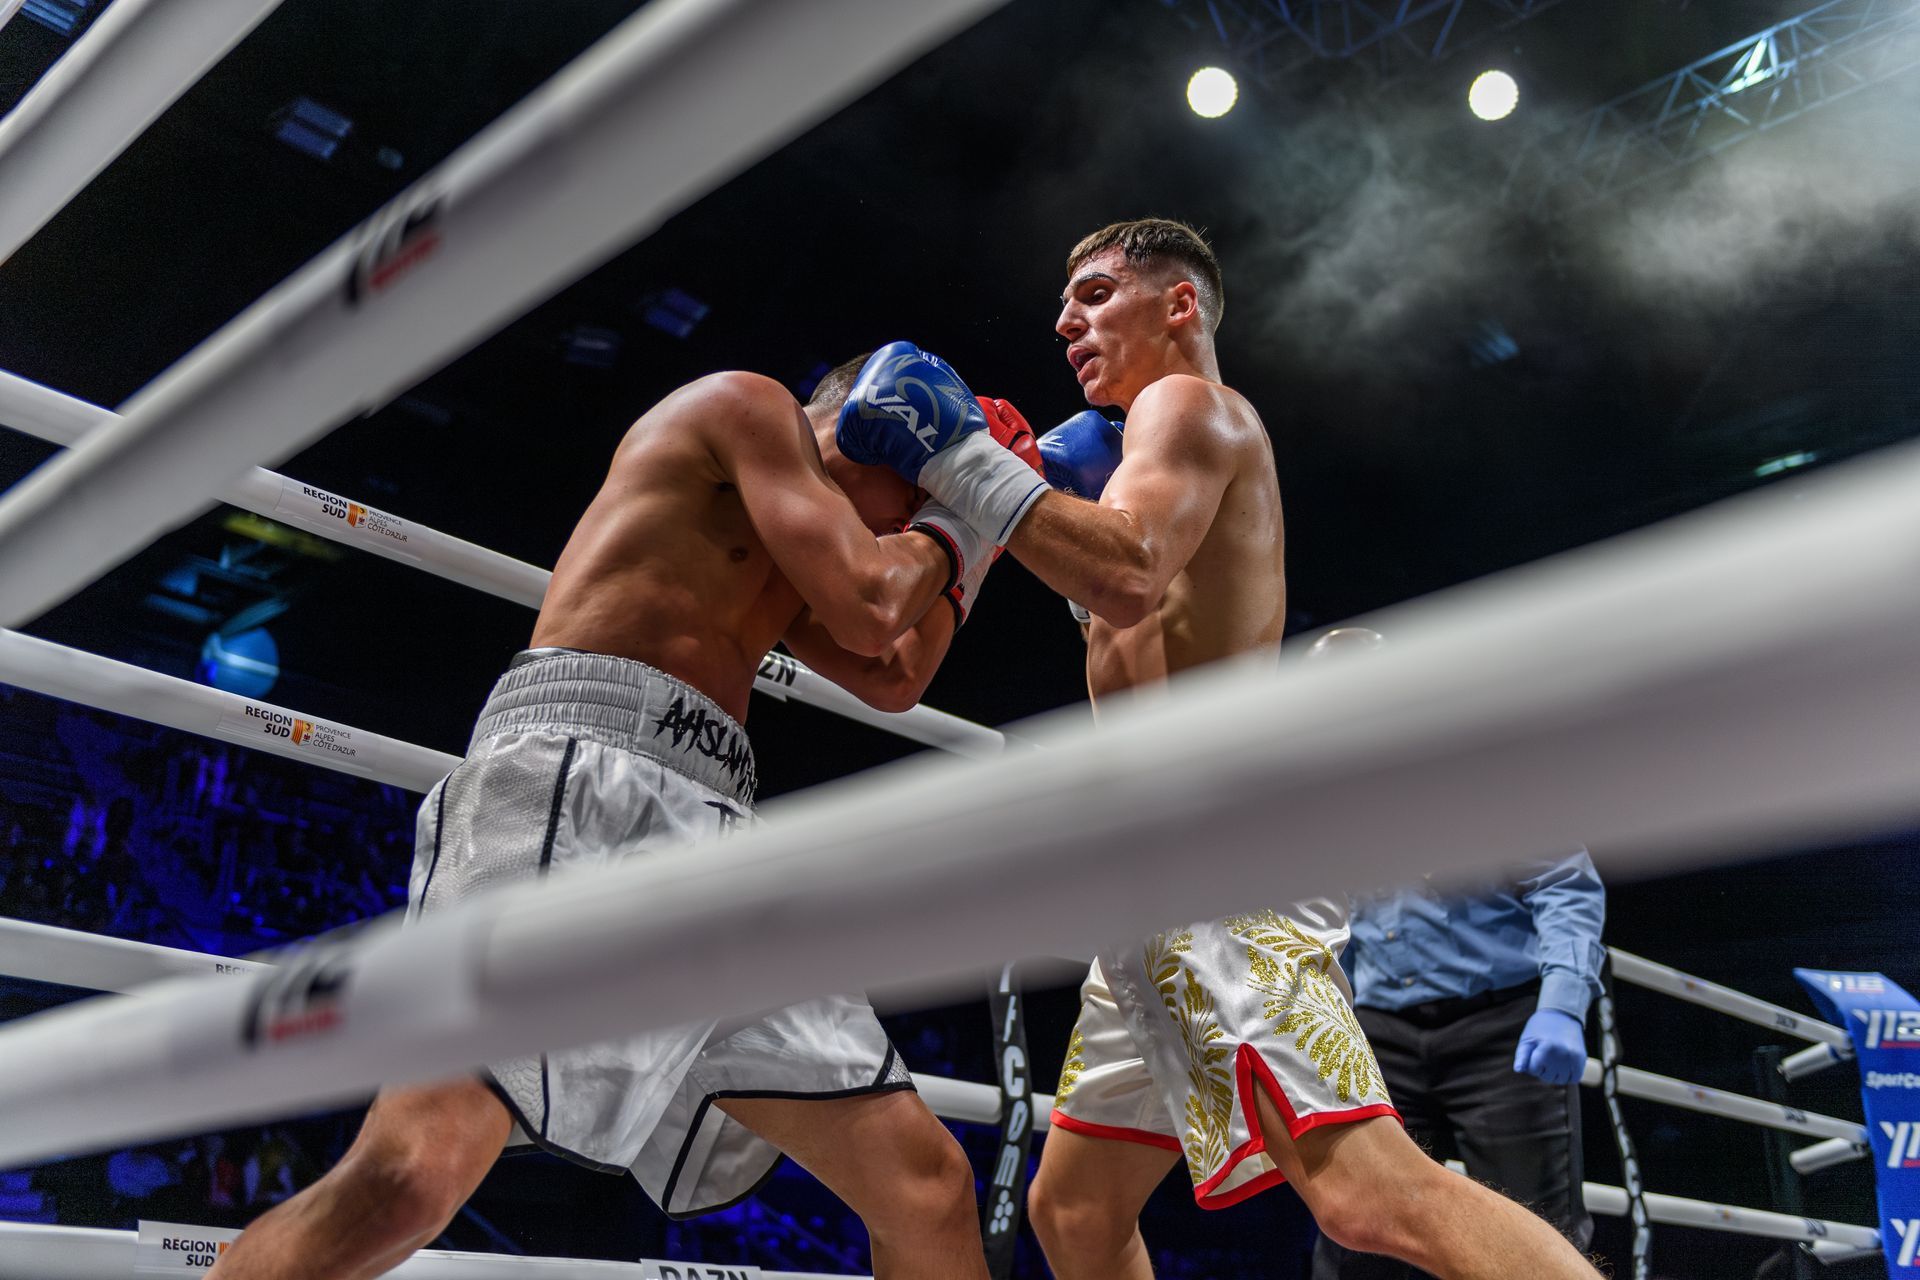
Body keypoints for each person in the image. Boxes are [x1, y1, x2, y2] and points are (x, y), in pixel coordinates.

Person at [836, 219, 1602, 1279]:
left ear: (1179, 304)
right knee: (1076, 1209)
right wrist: (981, 500)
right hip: (1150, 871)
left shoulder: (1188, 406)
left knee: (1367, 1195)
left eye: (1095, 294)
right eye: (1063, 304)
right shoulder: (1120, 464)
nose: (1064, 323)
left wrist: (966, 463)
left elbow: (1129, 573)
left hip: (1219, 852)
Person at [210, 357, 1043, 1280]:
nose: (904, 520)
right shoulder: (747, 407)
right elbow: (876, 601)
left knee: (925, 1189)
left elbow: (894, 674)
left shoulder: (800, 533)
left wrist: (970, 527)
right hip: (578, 777)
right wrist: (966, 507)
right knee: (410, 1180)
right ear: (876, 417)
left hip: (716, 830)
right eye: (917, 487)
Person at [1314, 626, 1605, 1277]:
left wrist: (1562, 1005)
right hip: (1375, 1038)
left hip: (1500, 1034)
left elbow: (1564, 884)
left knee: (1536, 1228)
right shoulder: (1323, 801)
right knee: (1356, 1232)